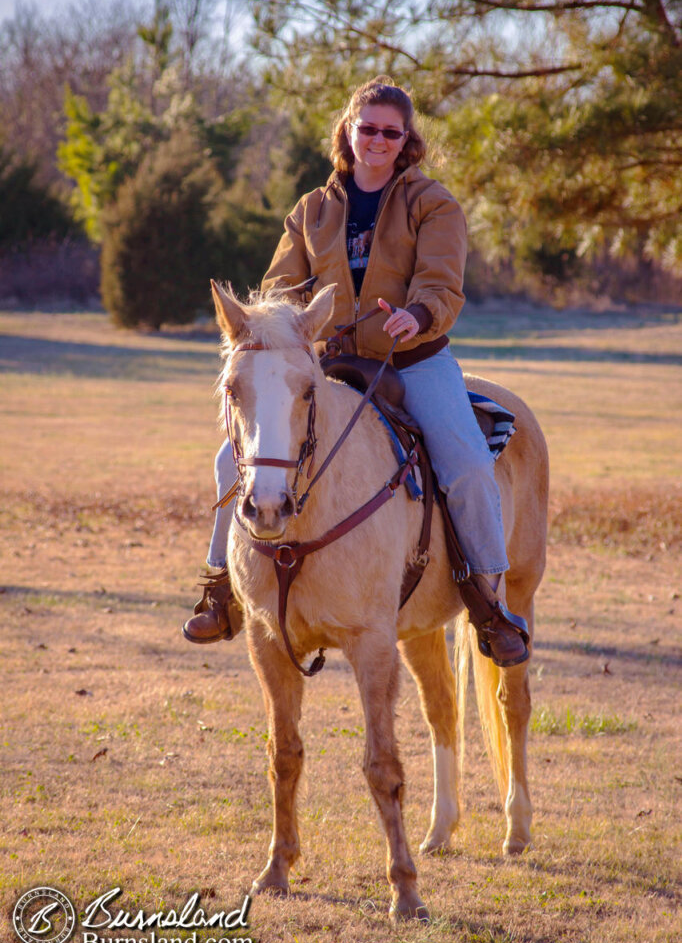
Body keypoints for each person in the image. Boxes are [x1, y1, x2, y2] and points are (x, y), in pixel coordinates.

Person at [183, 78, 529, 667]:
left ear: (406, 140)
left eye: (390, 132)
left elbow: (442, 284)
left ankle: (487, 602)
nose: (377, 140)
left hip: (413, 361)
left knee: (468, 466)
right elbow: (277, 289)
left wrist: (417, 314)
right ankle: (221, 590)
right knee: (228, 459)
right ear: (348, 130)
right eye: (367, 128)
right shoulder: (312, 209)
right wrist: (296, 326)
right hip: (329, 366)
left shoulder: (434, 204)